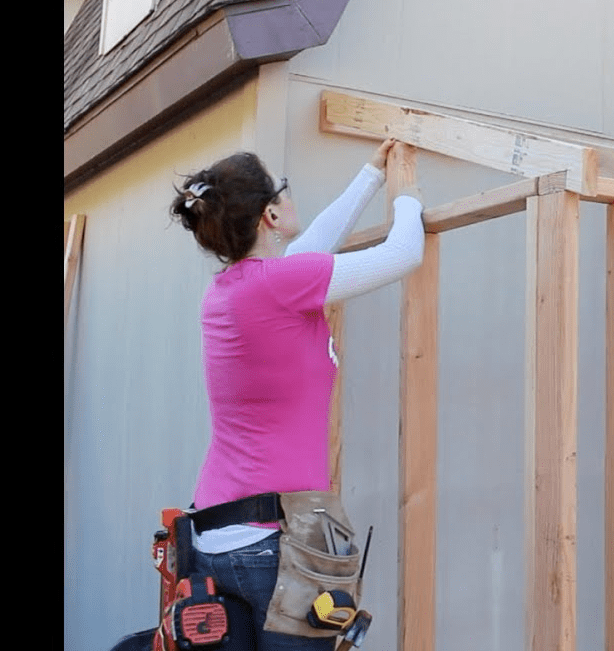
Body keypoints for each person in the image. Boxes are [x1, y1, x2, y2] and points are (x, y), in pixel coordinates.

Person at [169, 141, 423, 650]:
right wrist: (408, 198)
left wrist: (371, 175)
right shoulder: (280, 285)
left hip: (214, 537)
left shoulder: (233, 289)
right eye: (282, 189)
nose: (290, 197)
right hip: (272, 546)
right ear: (270, 214)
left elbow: (314, 247)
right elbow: (404, 254)